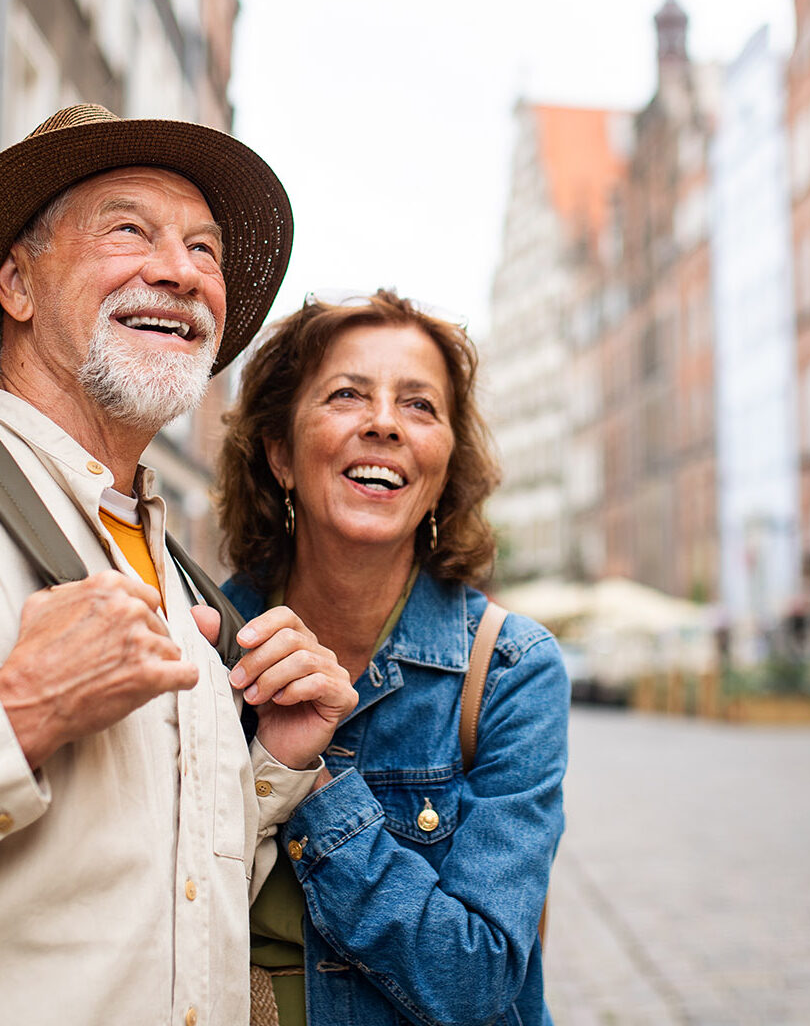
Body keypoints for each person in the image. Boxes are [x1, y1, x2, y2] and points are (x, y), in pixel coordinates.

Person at [0, 104, 358, 1026]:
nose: (181, 271)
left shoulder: (183, 583)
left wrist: (271, 766)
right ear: (18, 285)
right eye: (129, 230)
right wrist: (20, 713)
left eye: (205, 250)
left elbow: (172, 898)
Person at [217, 289, 569, 1026]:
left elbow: (475, 980)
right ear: (280, 453)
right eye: (347, 394)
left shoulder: (509, 671)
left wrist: (311, 783)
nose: (383, 422)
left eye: (419, 406)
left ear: (444, 467)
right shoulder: (207, 639)